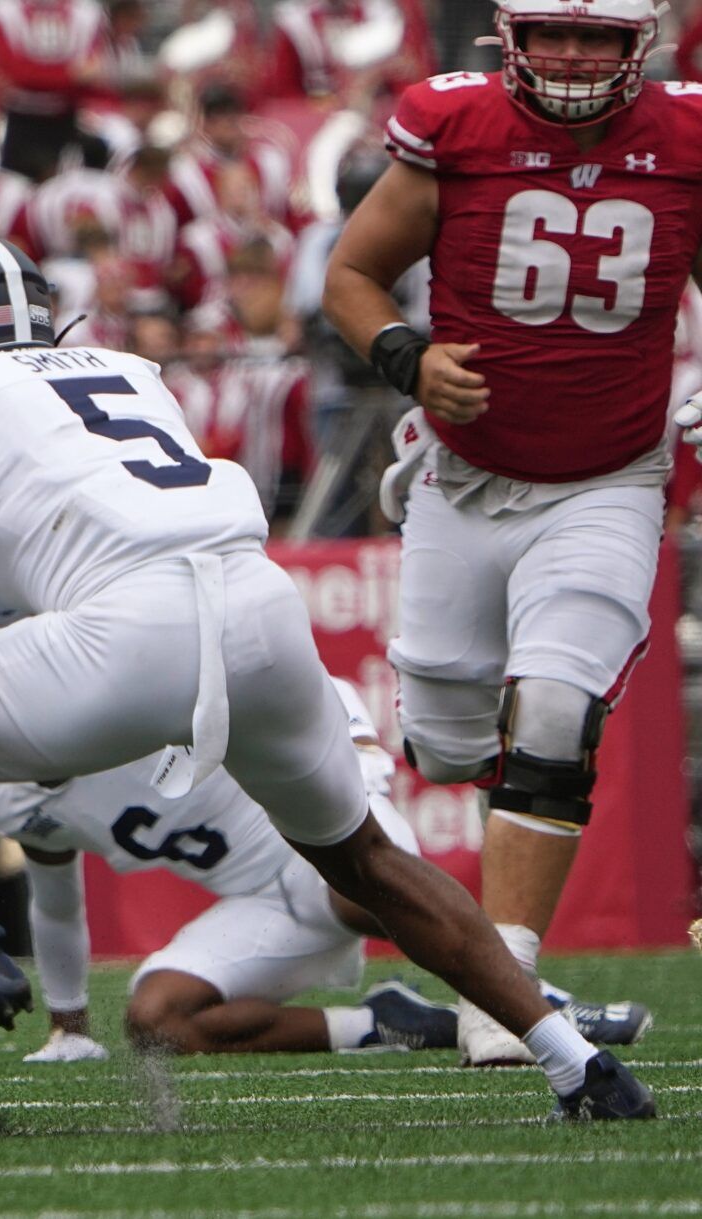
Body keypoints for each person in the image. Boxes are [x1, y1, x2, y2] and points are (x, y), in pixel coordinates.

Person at [0, 230, 651, 1120]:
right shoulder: (129, 367)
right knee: (369, 862)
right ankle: (573, 1059)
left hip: (130, 628)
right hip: (259, 606)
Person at [323, 0, 679, 1066]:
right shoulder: (452, 126)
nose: (575, 58)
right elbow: (350, 277)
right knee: (444, 742)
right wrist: (407, 358)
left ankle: (504, 981)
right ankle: (491, 938)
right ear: (511, 37)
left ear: (637, 47)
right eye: (557, 35)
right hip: (464, 478)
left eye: (600, 38)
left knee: (561, 710)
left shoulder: (685, 142)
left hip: (609, 476)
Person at [0, 596, 649, 1058]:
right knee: (157, 1018)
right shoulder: (15, 798)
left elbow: (279, 677)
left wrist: (351, 749)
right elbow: (55, 900)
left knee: (356, 884)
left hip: (322, 839)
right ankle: (383, 1025)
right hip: (262, 901)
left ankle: (540, 1006)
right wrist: (69, 1026)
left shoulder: (140, 685)